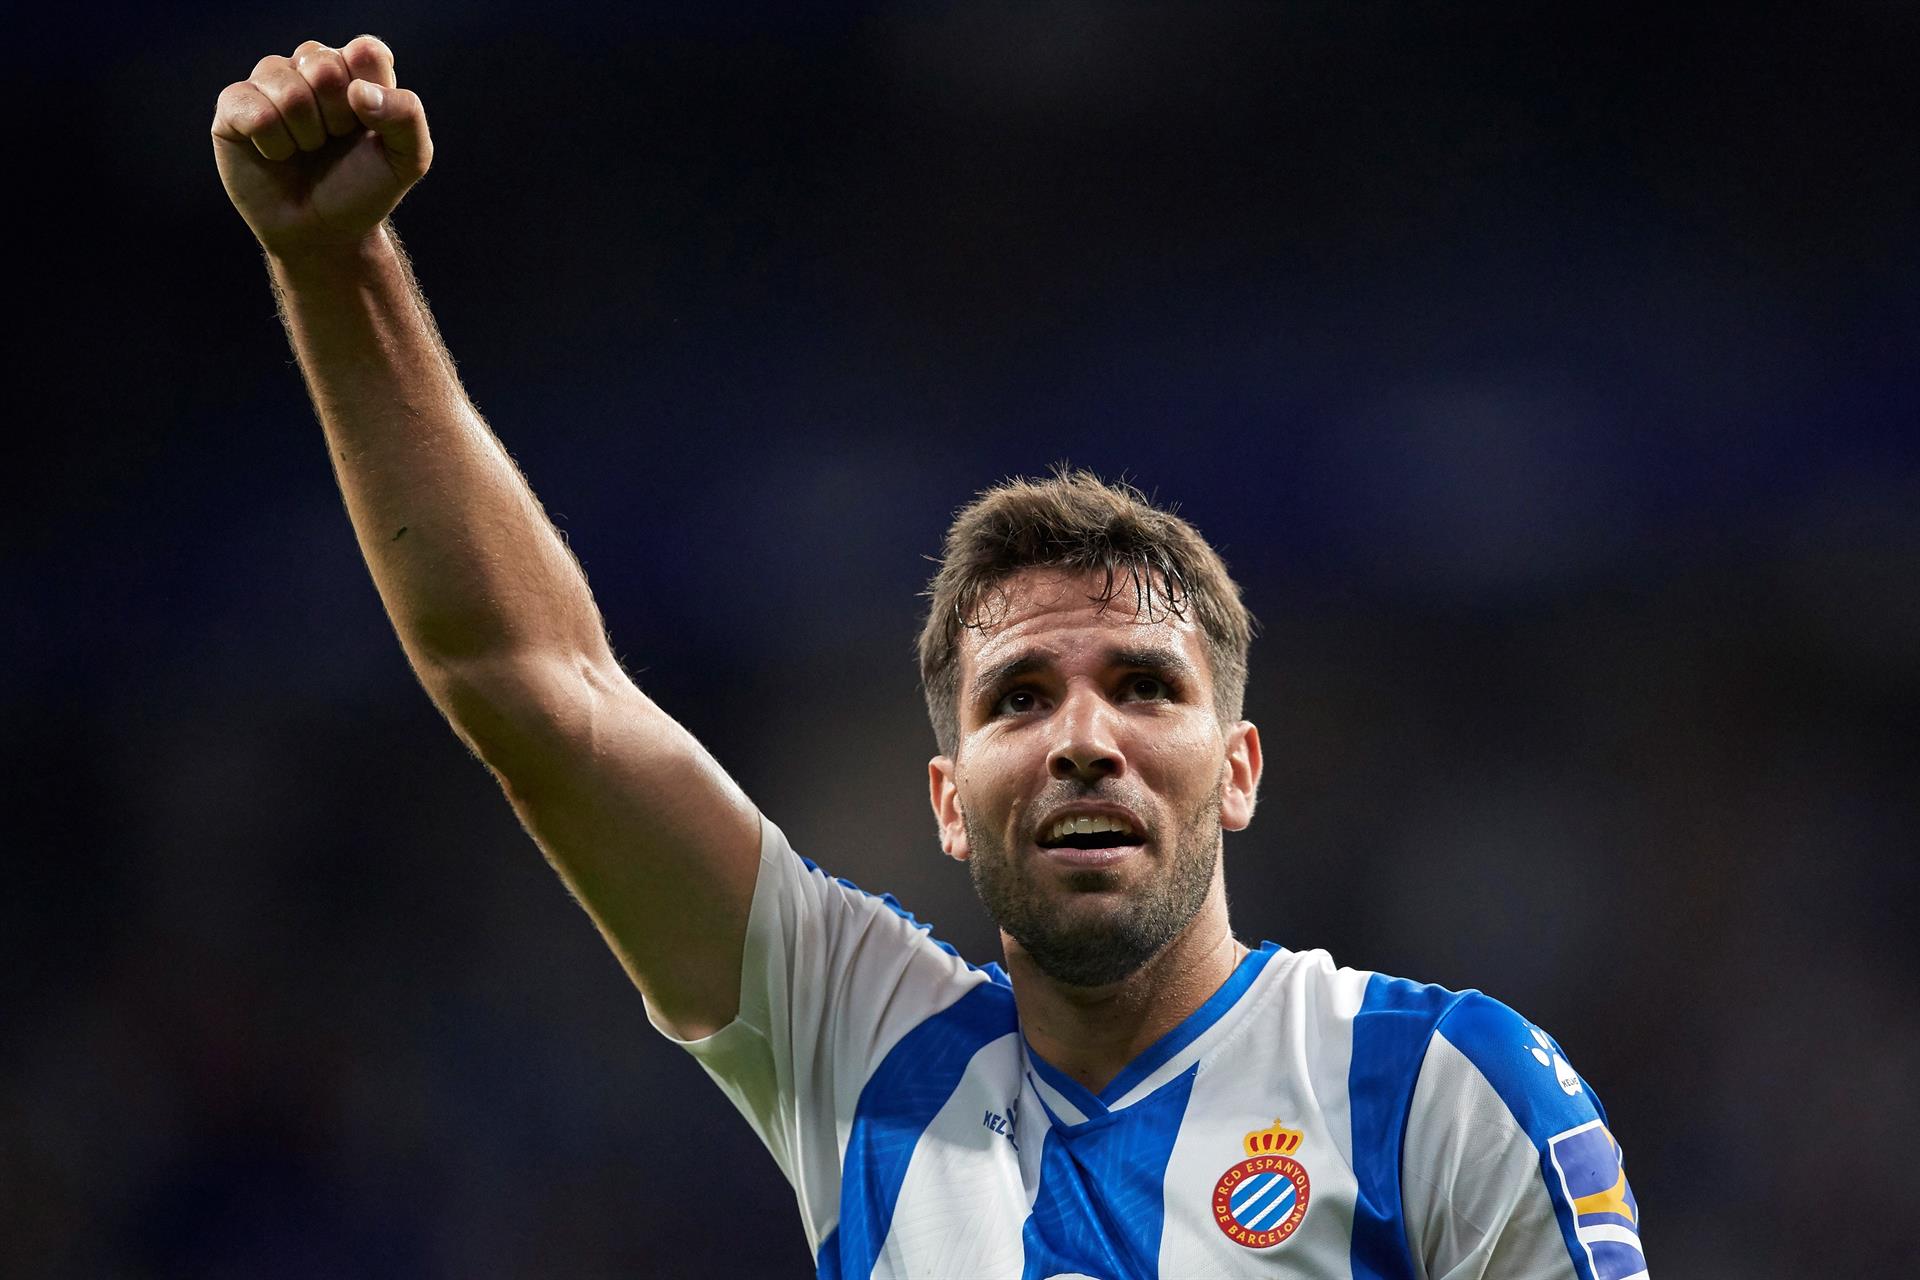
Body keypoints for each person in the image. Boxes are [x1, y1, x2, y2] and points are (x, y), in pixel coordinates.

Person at [212, 36, 1649, 1280]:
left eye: (1145, 685)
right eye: (1021, 698)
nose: (1085, 734)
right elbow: (532, 685)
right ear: (950, 796)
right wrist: (337, 265)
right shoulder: (858, 1045)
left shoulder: (1442, 1091)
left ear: (1239, 770)